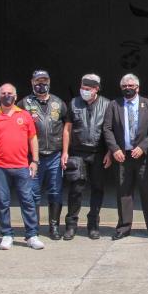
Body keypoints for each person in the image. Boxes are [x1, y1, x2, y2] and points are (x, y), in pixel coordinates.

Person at [0, 83, 44, 250]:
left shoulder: (24, 115)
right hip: (0, 167)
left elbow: (33, 139)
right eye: (3, 93)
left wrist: (35, 161)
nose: (6, 96)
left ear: (15, 97)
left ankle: (32, 235)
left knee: (27, 201)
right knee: (2, 201)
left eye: (9, 93)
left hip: (22, 166)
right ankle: (7, 234)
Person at [103, 74, 148, 240]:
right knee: (124, 193)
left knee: (147, 193)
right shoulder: (113, 105)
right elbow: (107, 129)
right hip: (122, 156)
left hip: (143, 157)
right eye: (124, 86)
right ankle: (124, 227)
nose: (128, 88)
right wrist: (114, 149)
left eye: (131, 85)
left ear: (138, 87)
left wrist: (143, 147)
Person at [19, 70, 68, 240]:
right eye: (38, 81)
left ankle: (54, 226)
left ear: (49, 82)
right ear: (32, 82)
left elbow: (67, 128)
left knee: (55, 192)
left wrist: (65, 152)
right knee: (33, 193)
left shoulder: (58, 102)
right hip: (34, 158)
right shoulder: (24, 103)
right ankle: (33, 228)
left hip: (54, 154)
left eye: (44, 81)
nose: (41, 84)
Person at [62, 73, 112, 240]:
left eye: (88, 89)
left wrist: (110, 152)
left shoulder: (106, 104)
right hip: (77, 153)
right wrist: (65, 152)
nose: (84, 91)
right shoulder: (74, 103)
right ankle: (71, 225)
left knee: (98, 189)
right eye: (82, 88)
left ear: (96, 89)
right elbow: (67, 129)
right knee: (76, 189)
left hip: (98, 153)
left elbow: (110, 130)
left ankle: (93, 224)